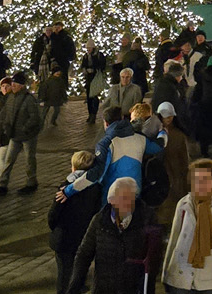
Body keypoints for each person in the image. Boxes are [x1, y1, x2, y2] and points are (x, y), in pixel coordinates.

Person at [163, 158, 212, 294]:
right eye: (196, 179)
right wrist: (166, 275)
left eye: (206, 179)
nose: (201, 184)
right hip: (181, 279)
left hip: (210, 281)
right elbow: (174, 241)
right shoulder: (184, 203)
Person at [66, 176, 156, 294]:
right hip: (104, 288)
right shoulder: (100, 220)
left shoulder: (146, 218)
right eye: (124, 198)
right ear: (112, 200)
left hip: (133, 288)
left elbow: (154, 257)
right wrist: (74, 287)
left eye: (132, 198)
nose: (129, 203)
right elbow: (84, 254)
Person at [66, 105, 162, 200]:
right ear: (122, 118)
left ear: (106, 123)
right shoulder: (140, 138)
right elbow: (158, 147)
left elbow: (96, 173)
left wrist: (68, 191)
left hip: (112, 194)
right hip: (134, 191)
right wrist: (163, 132)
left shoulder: (105, 143)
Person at [51, 151, 104, 294]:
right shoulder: (96, 187)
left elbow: (53, 215)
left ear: (73, 167)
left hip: (64, 238)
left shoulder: (65, 187)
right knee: (79, 268)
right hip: (83, 236)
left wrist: (55, 228)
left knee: (64, 273)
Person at [0, 70, 46, 194]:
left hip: (27, 135)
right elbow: (7, 114)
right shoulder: (11, 97)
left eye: (15, 85)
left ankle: (31, 182)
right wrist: (6, 126)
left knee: (29, 159)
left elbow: (35, 117)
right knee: (9, 160)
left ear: (21, 86)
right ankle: (2, 184)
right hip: (14, 135)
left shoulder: (29, 99)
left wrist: (25, 128)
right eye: (12, 84)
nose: (12, 87)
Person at [155, 102, 194, 225]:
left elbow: (184, 159)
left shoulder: (178, 135)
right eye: (166, 117)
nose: (169, 119)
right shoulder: (155, 133)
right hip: (164, 175)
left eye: (170, 117)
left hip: (175, 175)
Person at [40, 64, 70, 129]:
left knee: (56, 111)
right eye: (57, 72)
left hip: (56, 98)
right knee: (44, 112)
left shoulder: (60, 81)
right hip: (48, 98)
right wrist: (43, 98)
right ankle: (41, 123)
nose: (58, 73)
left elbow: (62, 90)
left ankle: (53, 120)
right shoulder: (48, 81)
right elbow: (44, 90)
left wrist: (64, 98)